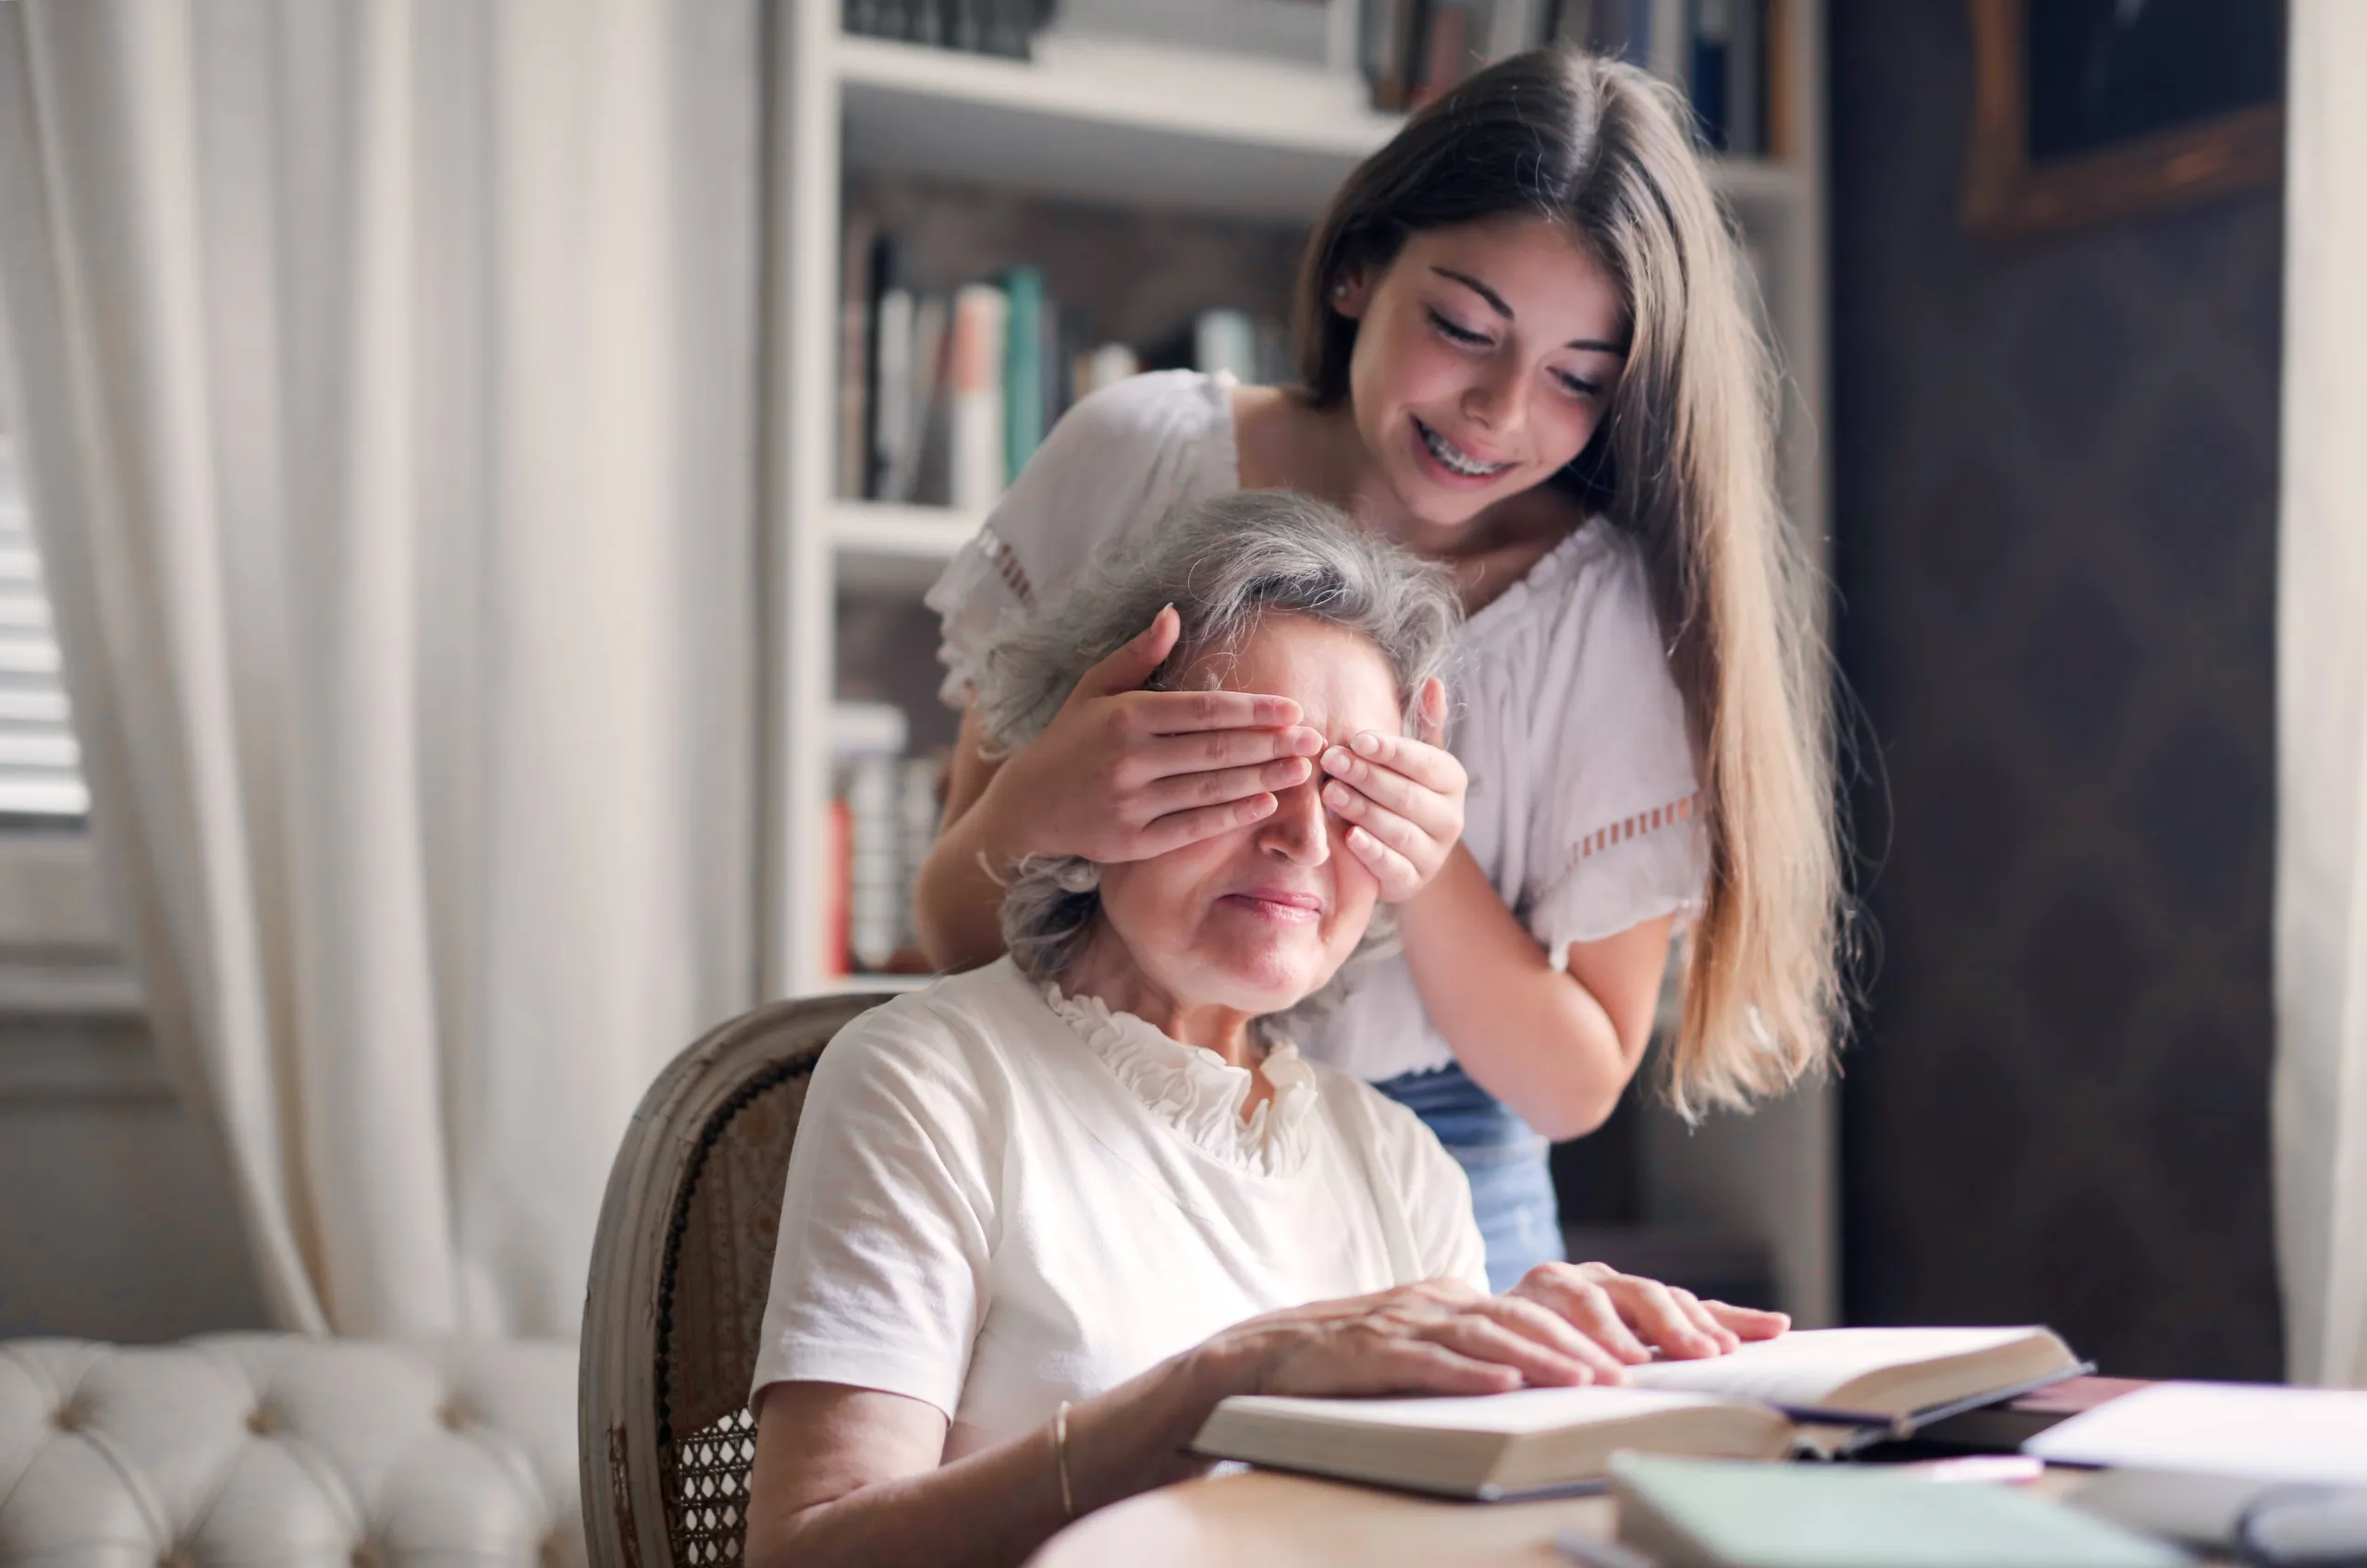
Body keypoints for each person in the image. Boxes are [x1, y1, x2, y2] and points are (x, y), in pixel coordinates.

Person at [914, 48, 1843, 1290]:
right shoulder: (1133, 457)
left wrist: (1416, 853)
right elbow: (950, 933)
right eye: (1463, 327)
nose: (1498, 412)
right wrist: (1042, 805)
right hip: (1096, 1120)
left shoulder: (1605, 618)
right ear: (1358, 269)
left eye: (1578, 379)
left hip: (1443, 1171)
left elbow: (1575, 1084)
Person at [743, 496, 1787, 1568]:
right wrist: (1228, 1378)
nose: (1300, 837)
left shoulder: (1402, 1167)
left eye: (1352, 790)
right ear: (1105, 775)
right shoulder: (928, 1084)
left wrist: (1572, 1383)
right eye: (1242, 767)